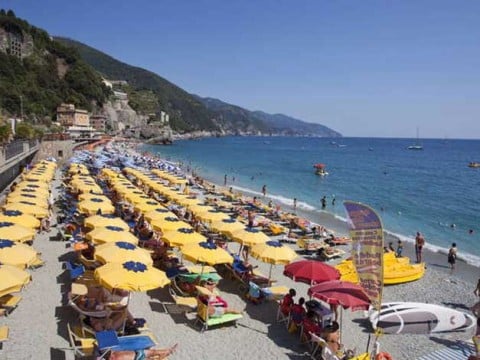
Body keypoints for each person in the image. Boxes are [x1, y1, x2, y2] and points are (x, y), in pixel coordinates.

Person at [108, 344, 178, 360]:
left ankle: (169, 351)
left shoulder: (110, 353)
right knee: (153, 356)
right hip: (137, 358)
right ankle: (167, 352)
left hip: (137, 353)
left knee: (154, 351)